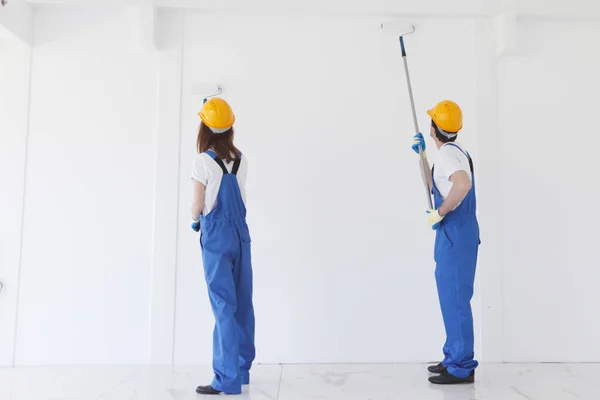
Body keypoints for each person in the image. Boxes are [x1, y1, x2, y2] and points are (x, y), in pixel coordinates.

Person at [411, 100, 480, 385]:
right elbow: (432, 185)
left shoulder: (451, 157)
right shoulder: (454, 152)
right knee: (451, 299)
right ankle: (453, 356)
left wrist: (440, 212)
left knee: (455, 299)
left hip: (455, 233)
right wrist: (422, 157)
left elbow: (463, 185)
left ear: (433, 127)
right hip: (456, 233)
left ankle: (461, 366)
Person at [190, 97, 255, 395]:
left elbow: (197, 205)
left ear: (205, 127)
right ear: (230, 128)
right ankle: (241, 371)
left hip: (217, 238)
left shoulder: (203, 160)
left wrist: (196, 219)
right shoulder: (240, 158)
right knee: (242, 303)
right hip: (241, 236)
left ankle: (225, 379)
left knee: (223, 306)